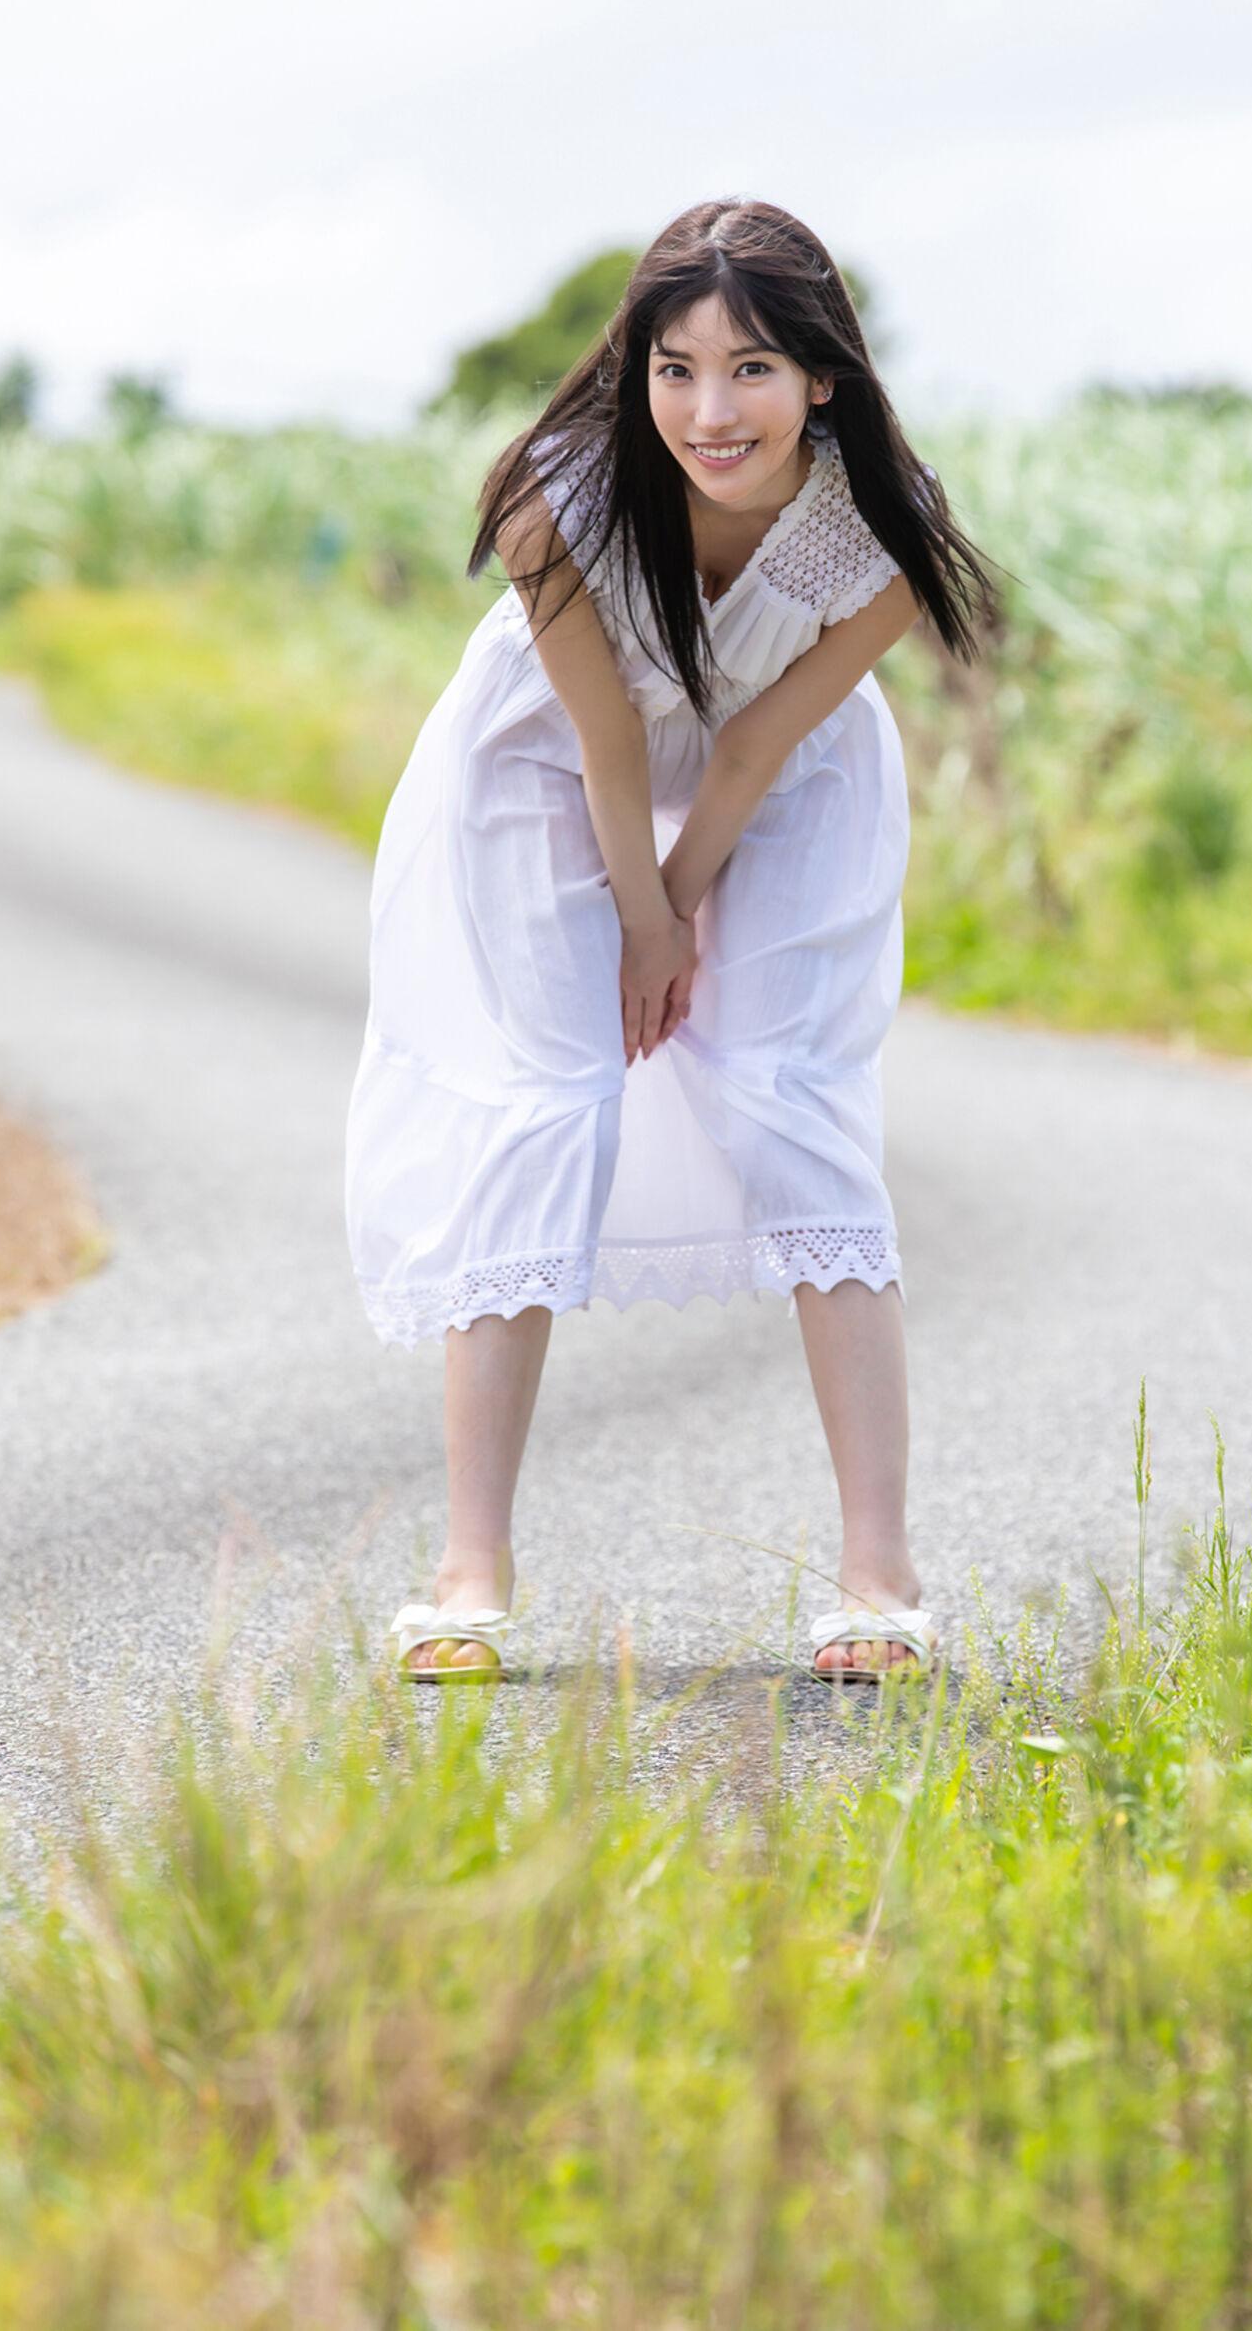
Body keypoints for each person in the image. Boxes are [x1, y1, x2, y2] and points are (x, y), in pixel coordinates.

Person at [344, 196, 998, 1687]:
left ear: (821, 377)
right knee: (550, 1100)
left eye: (753, 368)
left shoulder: (880, 523)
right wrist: (642, 919)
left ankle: (880, 1578)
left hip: (786, 772)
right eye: (677, 369)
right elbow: (607, 746)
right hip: (546, 761)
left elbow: (756, 744)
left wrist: (686, 894)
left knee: (786, 1099)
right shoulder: (559, 506)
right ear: (635, 371)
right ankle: (468, 1571)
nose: (712, 413)